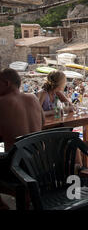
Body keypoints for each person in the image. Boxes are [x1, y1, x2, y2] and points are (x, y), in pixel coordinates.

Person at [0, 68, 45, 210]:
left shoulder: (1, 102)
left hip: (17, 167)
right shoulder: (33, 98)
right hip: (41, 162)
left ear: (6, 83)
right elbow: (42, 124)